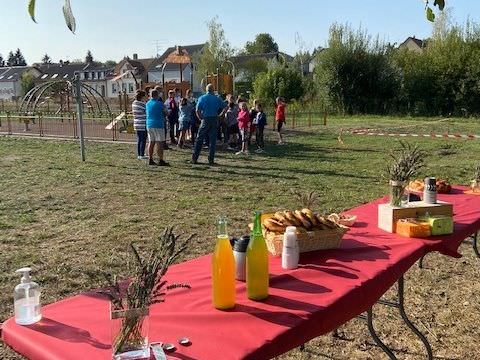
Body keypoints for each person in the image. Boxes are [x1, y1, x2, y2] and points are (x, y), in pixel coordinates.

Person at [192, 84, 228, 165]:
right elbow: (226, 107)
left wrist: (201, 118)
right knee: (213, 140)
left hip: (205, 118)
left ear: (206, 90)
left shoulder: (202, 98)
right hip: (214, 118)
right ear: (213, 90)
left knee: (199, 138)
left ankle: (195, 158)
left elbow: (197, 110)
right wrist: (221, 115)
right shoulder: (217, 98)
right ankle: (211, 159)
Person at [146, 89, 169, 166]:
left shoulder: (147, 103)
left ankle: (150, 159)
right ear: (157, 95)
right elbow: (166, 112)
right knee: (159, 143)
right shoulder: (160, 104)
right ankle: (161, 160)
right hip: (158, 124)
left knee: (151, 142)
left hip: (149, 124)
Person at [132, 90, 148, 160]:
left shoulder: (134, 103)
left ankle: (140, 154)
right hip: (142, 123)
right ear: (142, 97)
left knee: (139, 139)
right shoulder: (142, 104)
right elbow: (147, 111)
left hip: (136, 123)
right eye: (145, 96)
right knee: (143, 139)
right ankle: (141, 154)